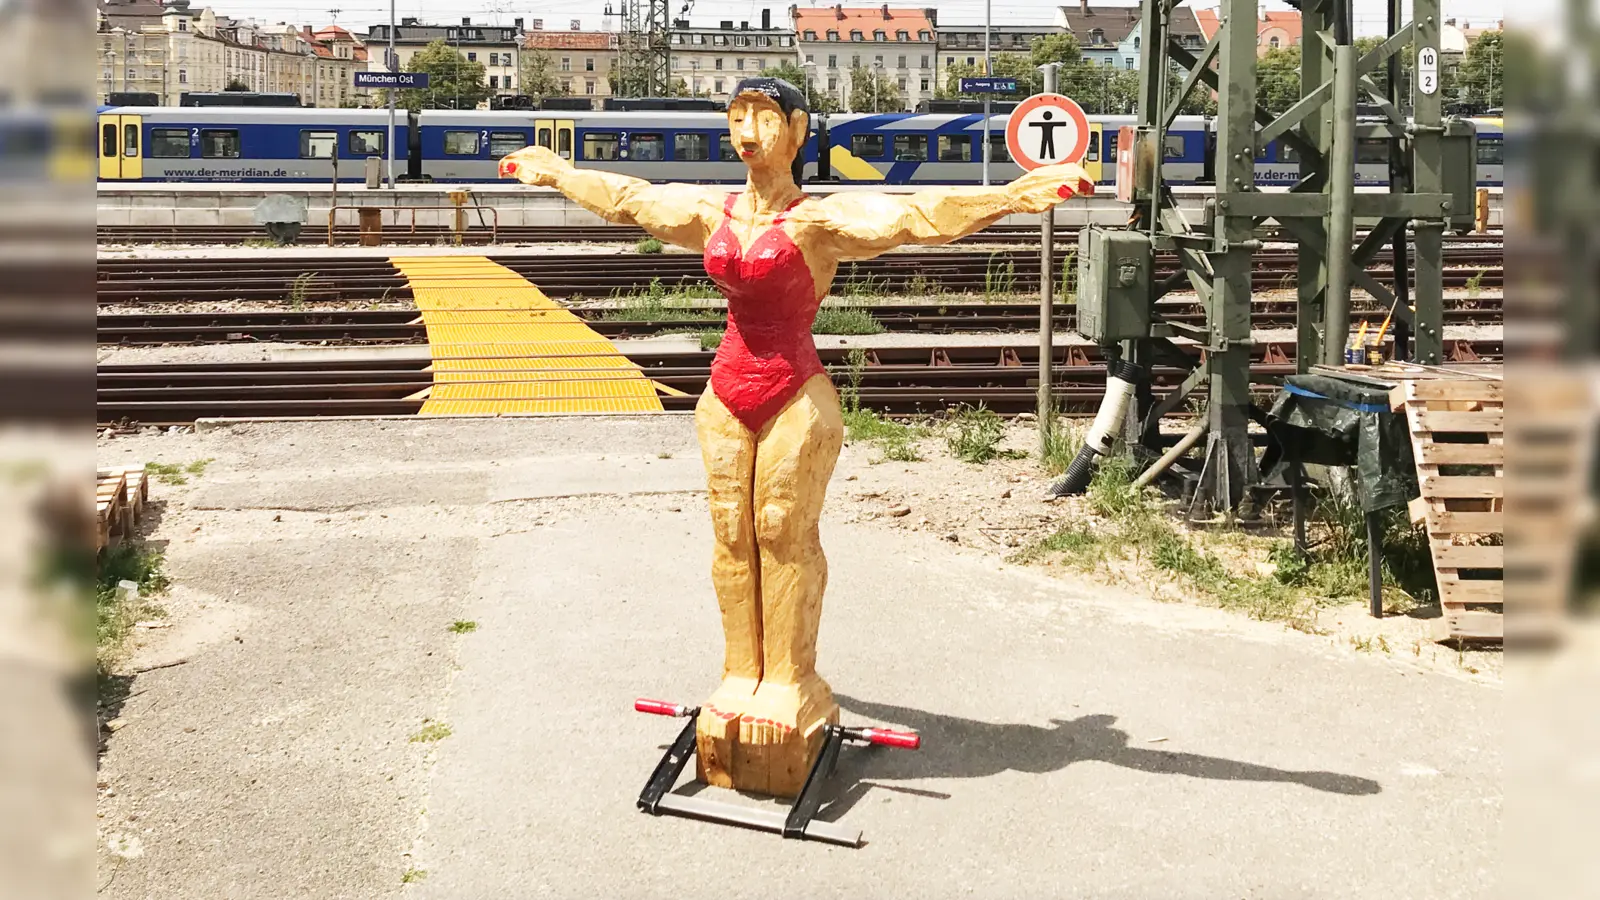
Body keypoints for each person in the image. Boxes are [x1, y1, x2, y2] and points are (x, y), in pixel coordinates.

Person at [500, 77, 1092, 796]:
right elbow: (627, 198)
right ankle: (738, 674)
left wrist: (1011, 195)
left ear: (799, 129)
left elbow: (917, 216)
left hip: (795, 394)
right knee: (729, 531)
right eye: (737, 116)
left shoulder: (819, 220)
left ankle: (787, 679)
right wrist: (558, 170)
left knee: (781, 530)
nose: (747, 129)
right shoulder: (708, 210)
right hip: (725, 391)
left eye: (765, 117)